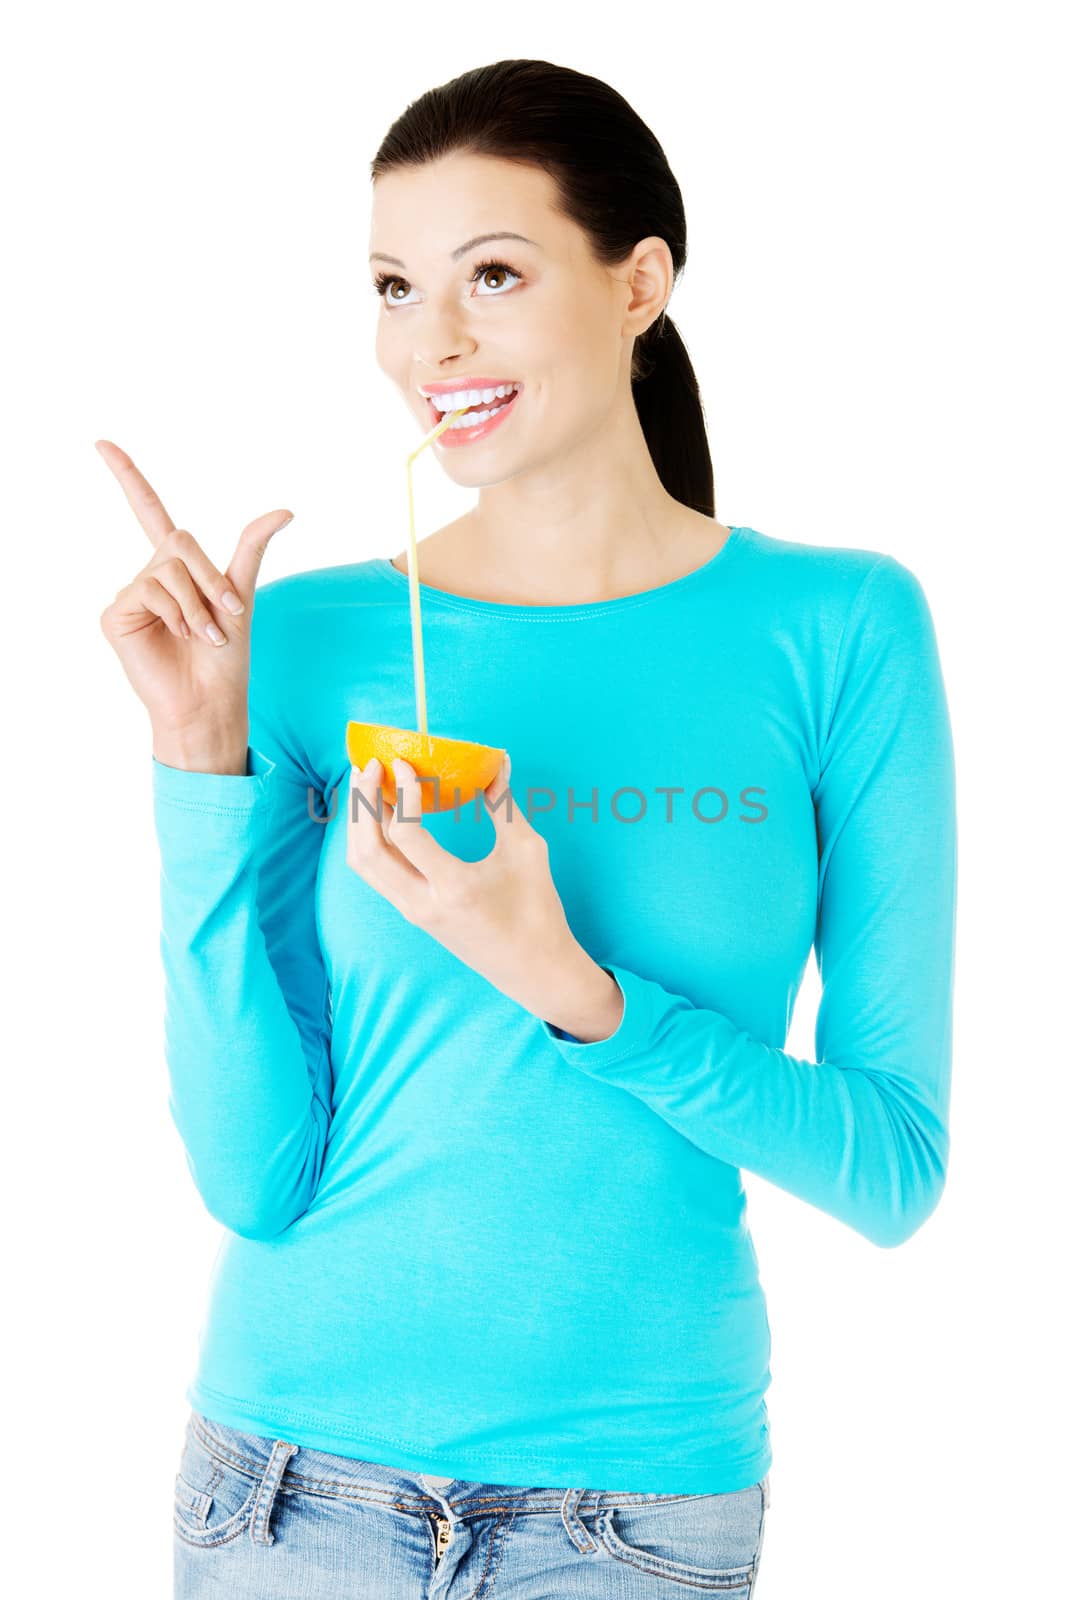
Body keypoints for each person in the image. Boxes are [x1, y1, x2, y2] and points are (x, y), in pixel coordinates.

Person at [98, 57, 956, 1599]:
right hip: (288, 1490)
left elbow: (892, 1167)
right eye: (392, 285)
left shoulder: (838, 629)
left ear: (640, 285)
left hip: (633, 1514)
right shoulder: (305, 639)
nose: (431, 341)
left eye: (493, 274)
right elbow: (253, 1177)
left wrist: (573, 989)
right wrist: (195, 762)